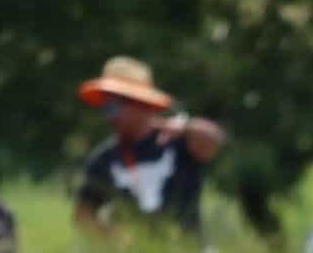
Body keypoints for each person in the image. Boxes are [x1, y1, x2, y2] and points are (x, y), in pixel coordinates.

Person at [73, 56, 225, 236]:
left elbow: (214, 140)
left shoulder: (180, 144)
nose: (110, 115)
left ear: (142, 105)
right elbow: (84, 216)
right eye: (106, 107)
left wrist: (186, 127)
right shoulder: (103, 160)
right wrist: (113, 239)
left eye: (114, 106)